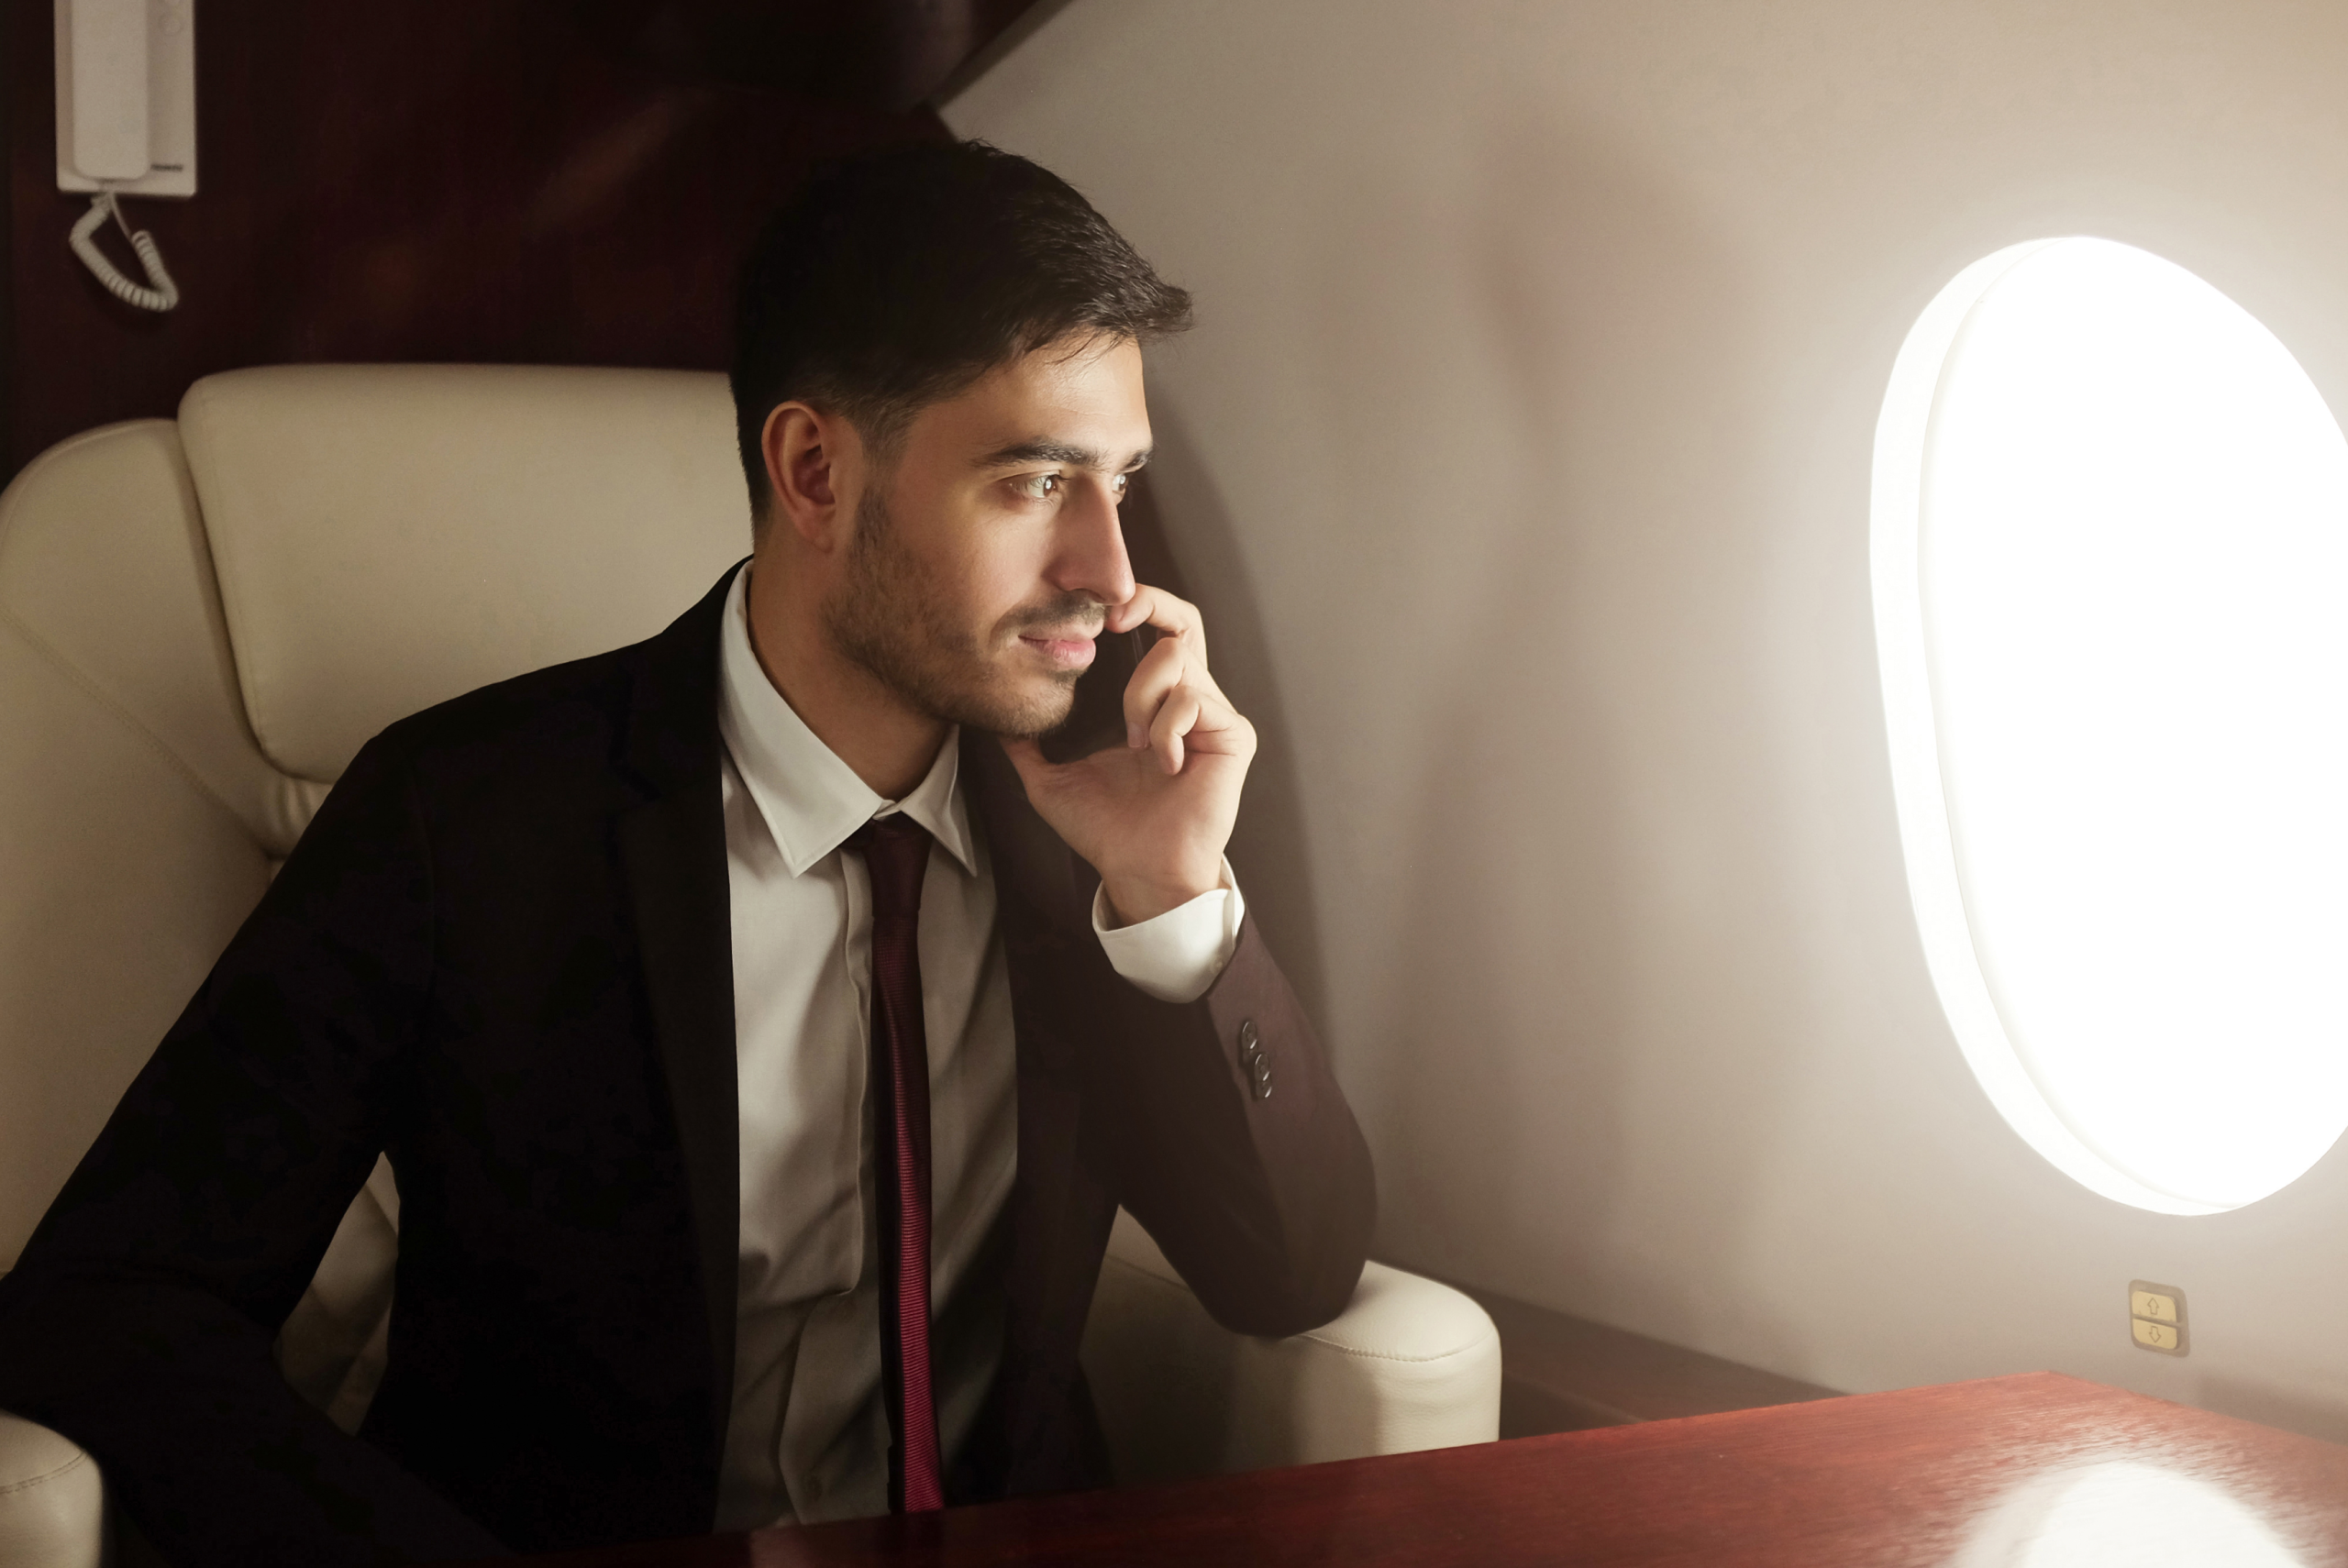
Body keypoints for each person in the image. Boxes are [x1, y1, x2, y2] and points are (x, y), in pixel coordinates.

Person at [0, 140, 1374, 1564]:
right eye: (1035, 481)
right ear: (813, 471)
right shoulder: (464, 819)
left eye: (1121, 480)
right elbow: (109, 1306)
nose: (1109, 565)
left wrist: (1170, 901)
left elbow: (1291, 1273)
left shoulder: (1091, 805)